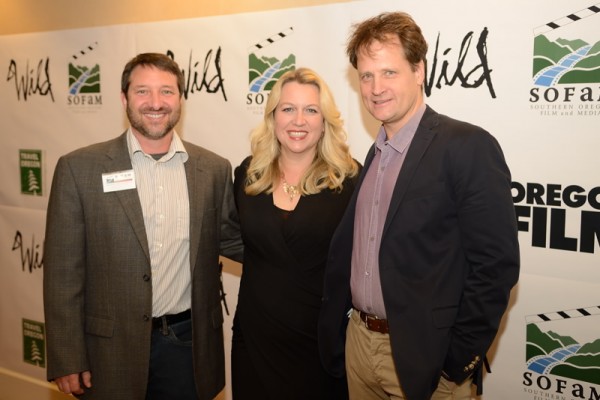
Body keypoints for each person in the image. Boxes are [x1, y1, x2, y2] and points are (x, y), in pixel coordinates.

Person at [318, 12, 520, 400]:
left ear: (419, 70)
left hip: (425, 358)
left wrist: (456, 361)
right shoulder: (374, 155)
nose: (376, 88)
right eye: (366, 75)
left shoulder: (466, 146)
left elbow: (495, 265)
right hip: (359, 348)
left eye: (389, 73)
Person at [43, 52, 243, 400]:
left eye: (166, 91)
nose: (155, 103)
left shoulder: (213, 169)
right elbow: (62, 272)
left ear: (180, 99)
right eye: (142, 92)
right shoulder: (79, 169)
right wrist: (66, 356)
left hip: (186, 347)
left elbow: (234, 240)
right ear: (124, 98)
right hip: (108, 350)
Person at [231, 67, 360, 400]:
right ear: (273, 117)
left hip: (319, 345)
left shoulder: (348, 181)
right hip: (256, 341)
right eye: (288, 109)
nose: (298, 121)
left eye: (311, 110)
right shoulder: (248, 174)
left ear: (325, 121)